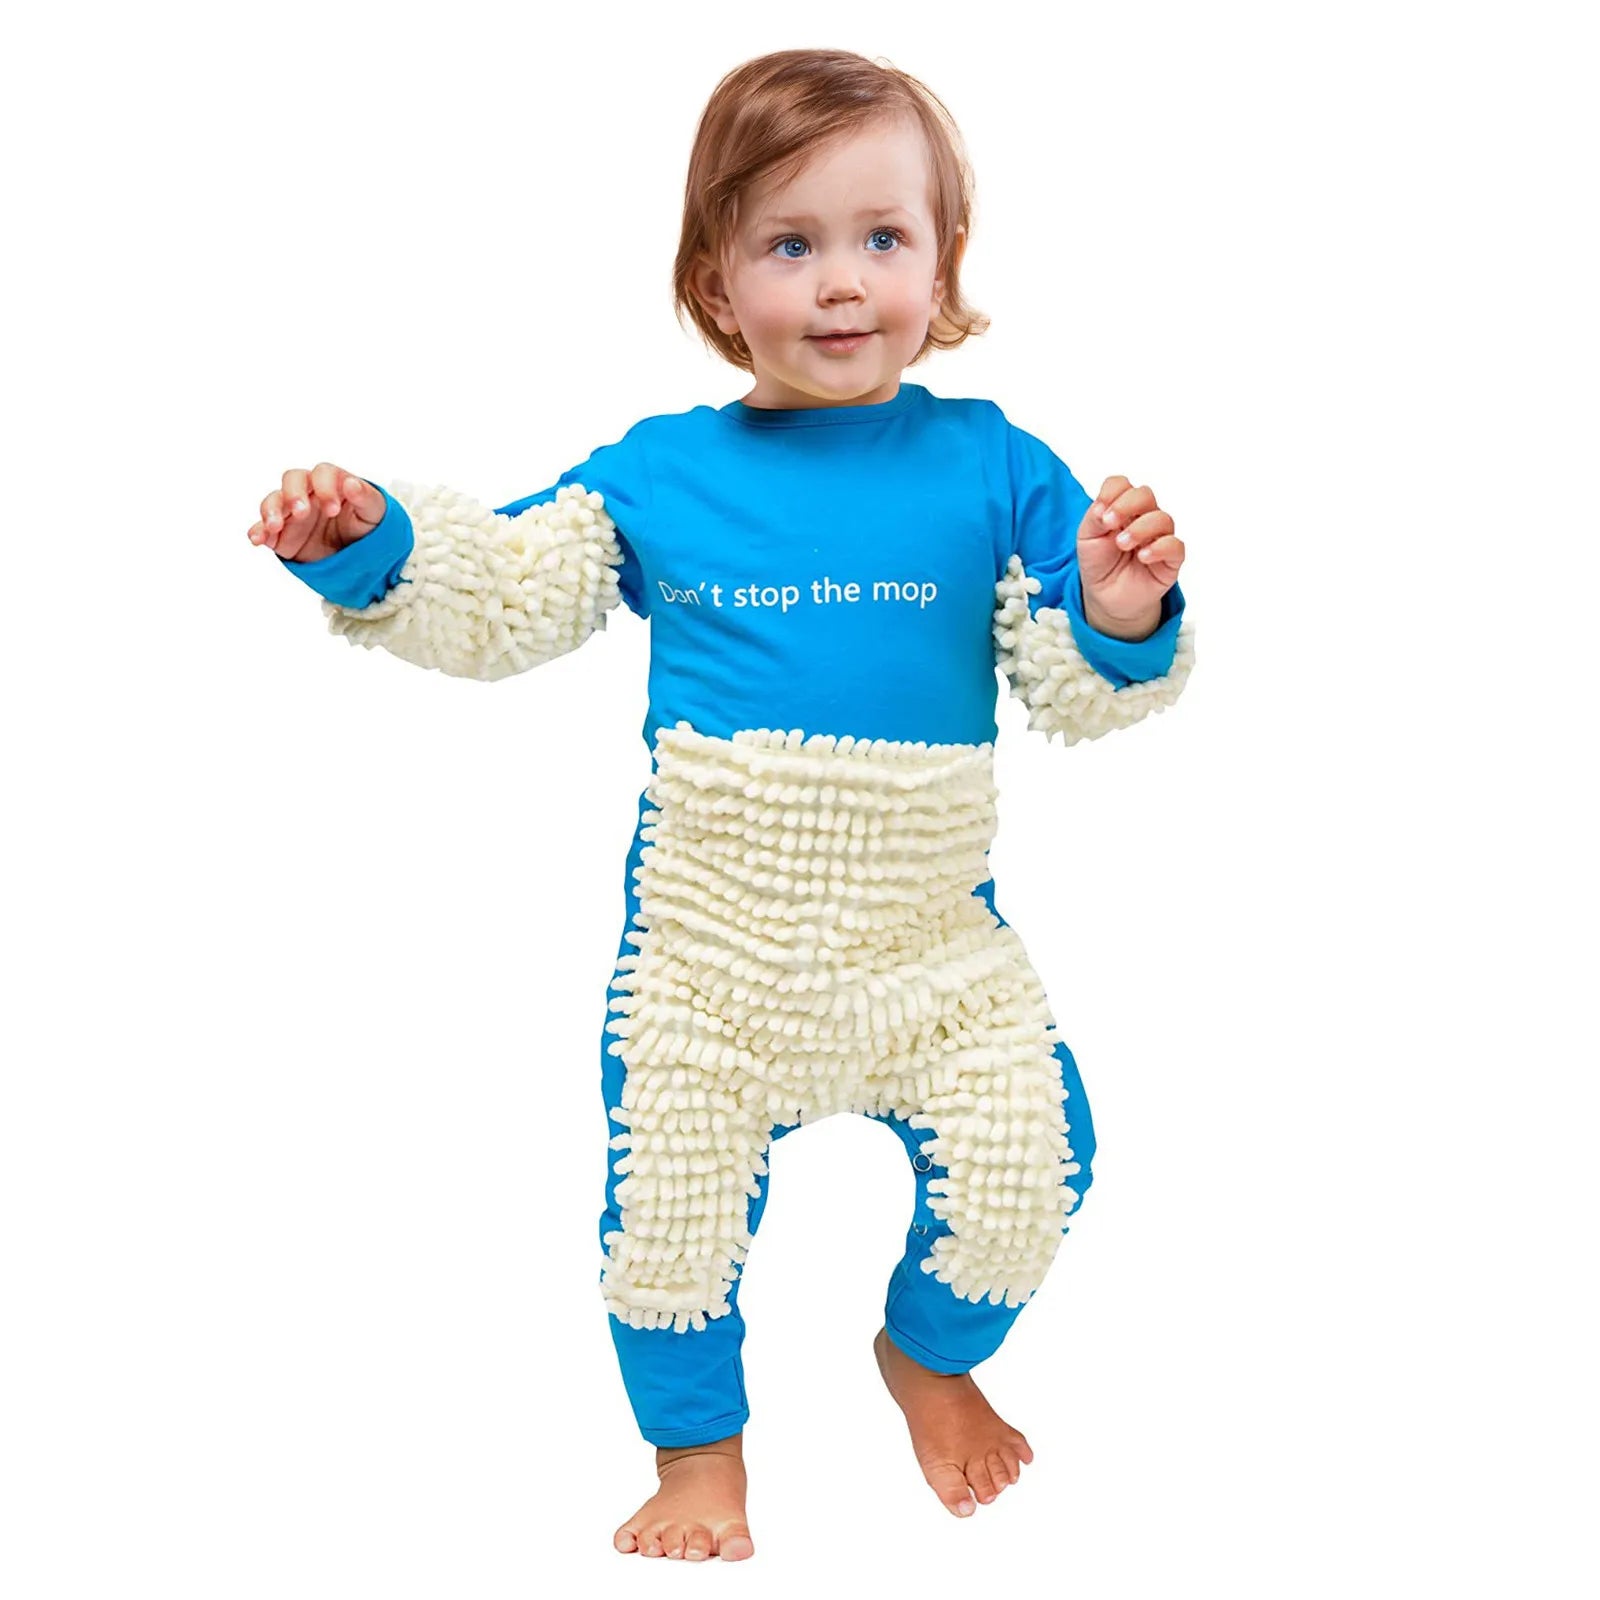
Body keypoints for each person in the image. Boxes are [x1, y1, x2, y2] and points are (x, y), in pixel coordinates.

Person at [246, 47, 1194, 1563]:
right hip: (712, 960)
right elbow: (503, 594)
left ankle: (929, 1356)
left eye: (882, 237)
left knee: (1036, 1165)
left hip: (929, 954)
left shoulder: (997, 464)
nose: (842, 282)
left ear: (944, 259)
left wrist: (1122, 608)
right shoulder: (663, 474)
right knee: (668, 1224)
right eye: (790, 243)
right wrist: (372, 546)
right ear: (716, 279)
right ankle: (699, 1459)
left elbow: (1080, 684)